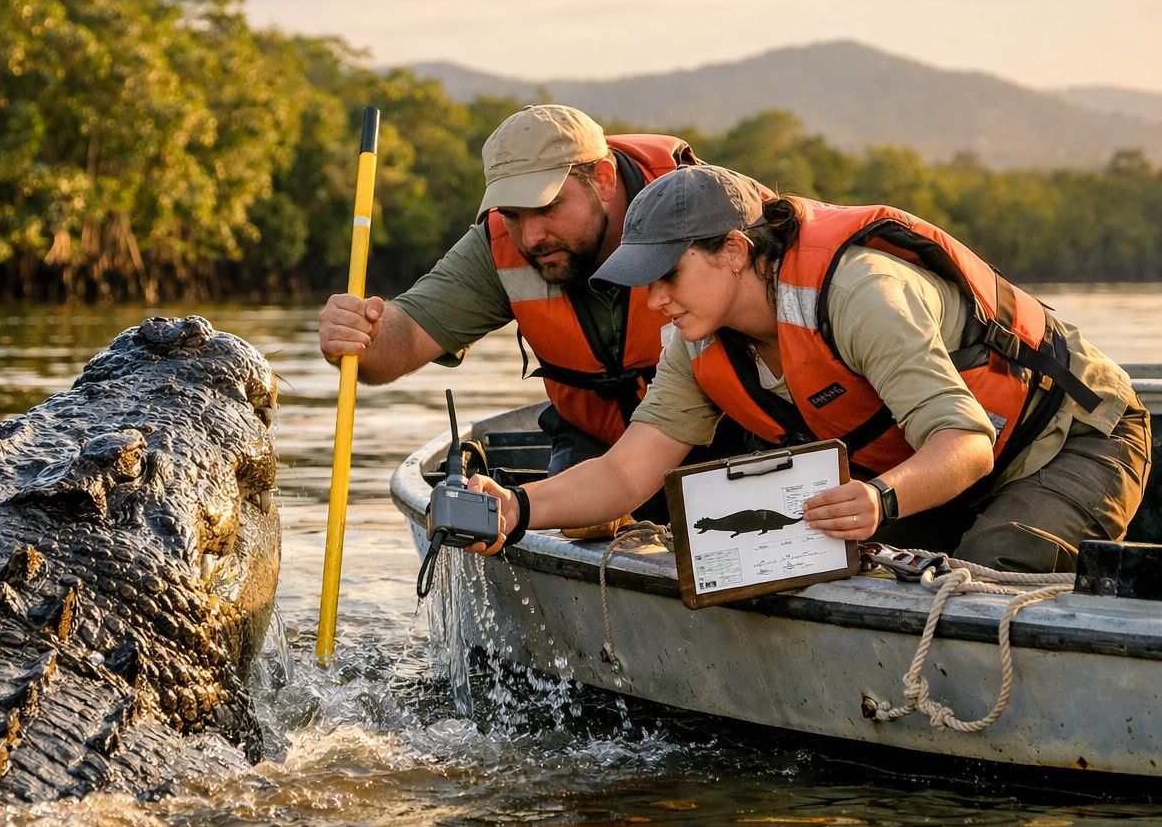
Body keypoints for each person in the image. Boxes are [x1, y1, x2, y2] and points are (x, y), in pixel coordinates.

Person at [468, 164, 1151, 573]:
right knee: (837, 575)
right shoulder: (695, 340)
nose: (654, 300)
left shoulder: (860, 294)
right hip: (937, 467)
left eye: (667, 274)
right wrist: (516, 507)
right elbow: (625, 473)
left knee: (983, 582)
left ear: (735, 251)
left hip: (1066, 441)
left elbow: (966, 442)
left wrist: (880, 499)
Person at [318, 104, 705, 482]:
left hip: (721, 439)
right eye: (513, 214)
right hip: (596, 446)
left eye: (547, 207)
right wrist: (362, 335)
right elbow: (405, 337)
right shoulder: (499, 245)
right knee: (577, 519)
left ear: (603, 178)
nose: (531, 237)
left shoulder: (707, 214)